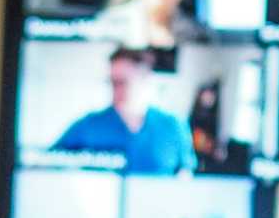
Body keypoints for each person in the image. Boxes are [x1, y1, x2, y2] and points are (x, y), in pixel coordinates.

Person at [52, 48, 197, 175]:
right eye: (112, 82)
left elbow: (184, 177)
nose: (115, 89)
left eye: (122, 82)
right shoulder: (88, 126)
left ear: (144, 79)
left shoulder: (173, 126)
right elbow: (49, 164)